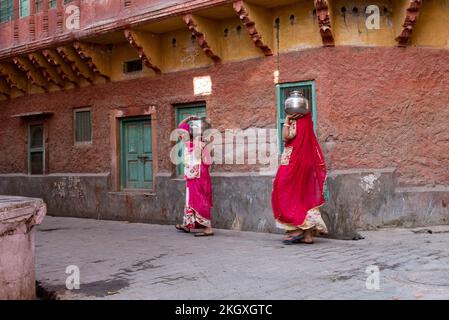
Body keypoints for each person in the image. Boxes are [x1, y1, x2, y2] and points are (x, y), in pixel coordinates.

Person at [272, 111, 328, 245]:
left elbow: (286, 137)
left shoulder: (295, 122)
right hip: (307, 162)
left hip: (294, 162)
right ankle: (307, 236)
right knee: (304, 196)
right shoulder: (307, 122)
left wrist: (286, 121)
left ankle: (296, 228)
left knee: (283, 190)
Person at [175, 116, 214, 237]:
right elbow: (180, 127)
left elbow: (207, 162)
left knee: (200, 199)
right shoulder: (189, 142)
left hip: (199, 176)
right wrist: (189, 118)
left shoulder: (201, 144)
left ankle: (208, 228)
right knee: (190, 200)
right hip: (192, 176)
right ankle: (188, 224)